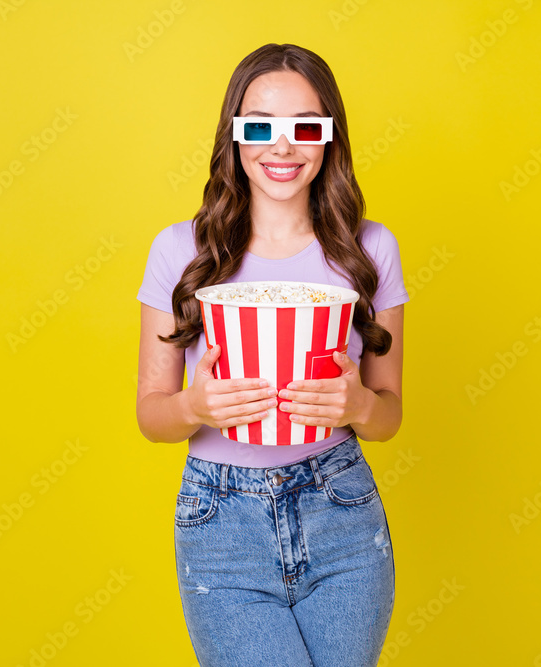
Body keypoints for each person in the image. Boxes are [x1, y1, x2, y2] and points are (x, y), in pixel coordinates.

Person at [136, 43, 409, 667]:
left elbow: (390, 417)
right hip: (220, 521)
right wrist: (194, 404)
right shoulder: (181, 251)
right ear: (232, 135)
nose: (281, 148)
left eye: (303, 128)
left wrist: (361, 403)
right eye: (259, 127)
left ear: (329, 138)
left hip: (341, 510)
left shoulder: (371, 250)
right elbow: (151, 416)